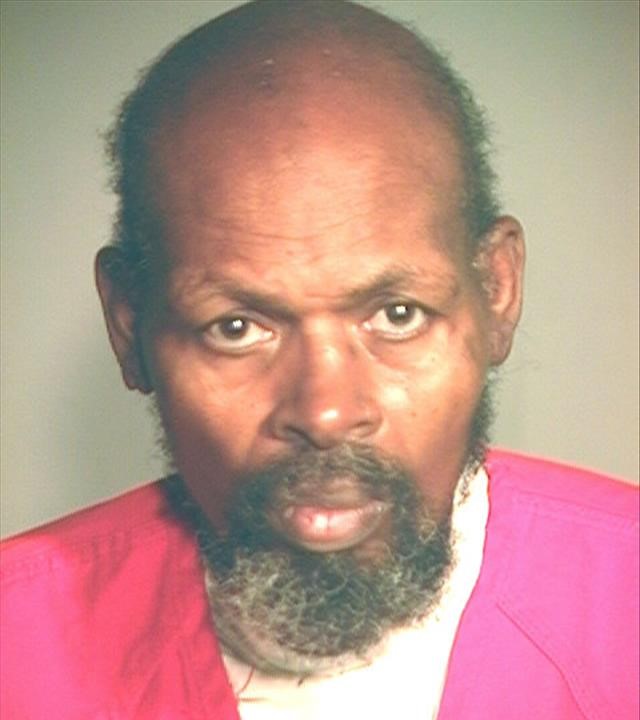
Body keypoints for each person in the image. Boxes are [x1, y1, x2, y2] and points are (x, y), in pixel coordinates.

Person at [1, 1, 637, 718]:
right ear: (129, 326)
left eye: (398, 315)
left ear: (496, 291)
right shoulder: (14, 651)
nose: (327, 413)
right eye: (236, 328)